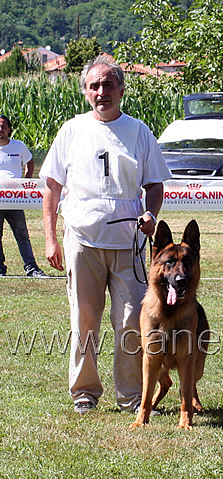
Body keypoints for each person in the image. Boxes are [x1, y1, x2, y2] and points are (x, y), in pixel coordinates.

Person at [40, 55, 172, 414]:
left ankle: (131, 397)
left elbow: (155, 184)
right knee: (84, 319)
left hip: (129, 243)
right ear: (85, 92)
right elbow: (52, 186)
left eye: (108, 84)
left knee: (130, 320)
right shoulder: (71, 130)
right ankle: (84, 392)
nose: (102, 92)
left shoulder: (139, 131)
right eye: (94, 86)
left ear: (121, 90)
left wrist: (150, 213)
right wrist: (51, 238)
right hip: (81, 239)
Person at [0, 115, 47, 278]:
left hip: (14, 199)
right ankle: (0, 269)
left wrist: (25, 182)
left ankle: (31, 268)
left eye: (3, 126)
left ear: (9, 129)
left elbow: (30, 161)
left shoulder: (18, 146)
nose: (0, 130)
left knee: (22, 234)